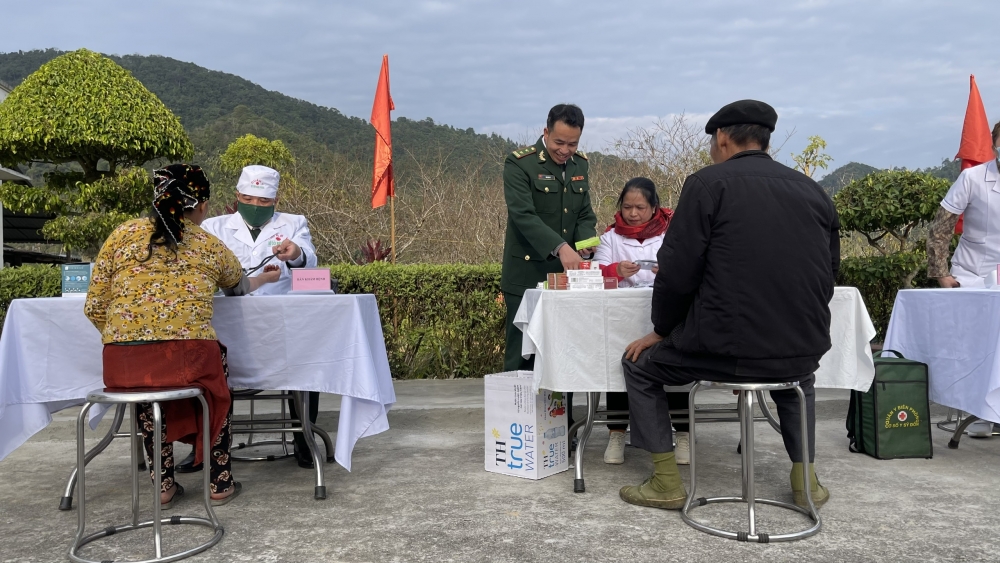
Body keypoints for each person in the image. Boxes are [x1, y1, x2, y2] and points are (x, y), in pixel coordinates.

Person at [617, 100, 840, 511]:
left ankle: (666, 481)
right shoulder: (813, 191)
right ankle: (805, 482)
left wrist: (662, 331)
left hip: (721, 351)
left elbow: (677, 272)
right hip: (797, 349)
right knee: (798, 380)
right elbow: (828, 274)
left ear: (721, 137)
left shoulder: (707, 184)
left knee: (640, 365)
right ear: (765, 138)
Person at [85, 164, 280, 508]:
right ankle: (219, 481)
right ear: (202, 205)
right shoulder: (208, 244)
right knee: (216, 371)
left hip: (121, 364)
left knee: (147, 394)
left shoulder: (121, 235)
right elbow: (240, 288)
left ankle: (163, 485)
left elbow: (94, 307)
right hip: (188, 360)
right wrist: (265, 279)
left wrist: (133, 339)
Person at [190, 164, 322, 469]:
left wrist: (296, 254)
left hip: (280, 321)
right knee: (202, 365)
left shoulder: (293, 223)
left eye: (264, 202)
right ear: (237, 195)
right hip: (228, 323)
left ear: (275, 200)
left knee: (307, 358)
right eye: (249, 199)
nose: (256, 206)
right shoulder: (214, 227)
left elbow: (310, 259)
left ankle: (304, 439)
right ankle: (201, 445)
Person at [593, 178, 690, 466]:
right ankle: (616, 431)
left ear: (654, 208)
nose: (632, 214)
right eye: (627, 207)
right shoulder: (611, 237)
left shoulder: (671, 232)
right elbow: (595, 273)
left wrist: (670, 272)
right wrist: (615, 270)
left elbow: (690, 268)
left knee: (674, 368)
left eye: (640, 207)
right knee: (620, 365)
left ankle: (683, 432)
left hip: (665, 315)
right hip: (622, 315)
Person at [501, 103, 598, 372]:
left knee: (561, 353)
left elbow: (584, 215)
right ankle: (518, 414)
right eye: (559, 142)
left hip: (565, 279)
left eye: (572, 144)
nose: (565, 150)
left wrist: (586, 245)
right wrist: (561, 247)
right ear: (545, 131)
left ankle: (559, 415)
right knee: (522, 355)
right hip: (526, 275)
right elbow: (524, 216)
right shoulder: (521, 163)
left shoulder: (580, 164)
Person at [926, 121, 1000, 437]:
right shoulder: (972, 178)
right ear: (994, 143)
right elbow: (941, 228)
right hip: (973, 277)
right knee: (980, 349)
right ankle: (981, 413)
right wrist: (942, 274)